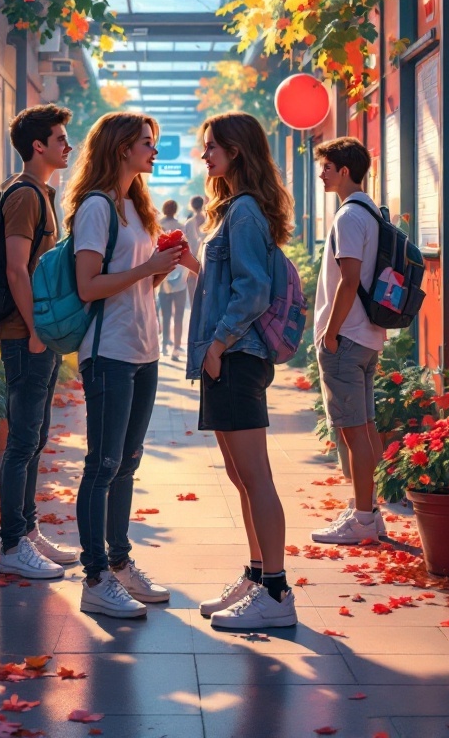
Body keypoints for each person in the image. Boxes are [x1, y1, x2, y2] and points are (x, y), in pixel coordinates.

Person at [63, 112, 184, 618]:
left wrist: (161, 268)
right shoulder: (96, 207)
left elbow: (136, 284)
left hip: (143, 349)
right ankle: (94, 578)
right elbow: (88, 286)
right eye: (146, 143)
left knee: (127, 463)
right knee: (103, 464)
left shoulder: (137, 206)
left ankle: (119, 563)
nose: (154, 151)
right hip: (107, 351)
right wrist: (147, 267)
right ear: (120, 149)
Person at [185, 112, 297, 630]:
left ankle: (275, 590)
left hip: (237, 356)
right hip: (226, 357)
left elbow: (252, 290)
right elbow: (230, 281)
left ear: (236, 150)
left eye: (212, 147)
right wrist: (195, 267)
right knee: (241, 477)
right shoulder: (234, 210)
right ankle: (257, 575)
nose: (205, 155)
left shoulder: (245, 210)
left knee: (256, 476)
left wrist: (219, 343)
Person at [0, 104, 80, 580]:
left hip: (38, 333)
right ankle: (12, 544)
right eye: (60, 139)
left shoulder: (42, 193)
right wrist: (33, 331)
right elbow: (15, 268)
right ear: (38, 146)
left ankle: (26, 532)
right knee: (23, 439)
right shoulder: (26, 196)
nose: (67, 146)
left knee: (35, 437)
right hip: (24, 334)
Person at [311, 137, 386, 545]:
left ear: (344, 171)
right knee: (367, 427)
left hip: (349, 335)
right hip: (369, 334)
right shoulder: (372, 211)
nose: (322, 173)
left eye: (327, 167)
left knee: (352, 432)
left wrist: (331, 332)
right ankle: (370, 512)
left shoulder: (347, 217)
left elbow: (350, 279)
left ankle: (361, 518)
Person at [158, 199, 189, 360]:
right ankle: (176, 348)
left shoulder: (158, 226)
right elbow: (186, 252)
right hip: (179, 277)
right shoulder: (181, 227)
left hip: (163, 277)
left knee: (166, 313)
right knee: (178, 315)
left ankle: (164, 346)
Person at [183, 195, 206, 308]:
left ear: (191, 206)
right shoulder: (209, 220)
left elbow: (187, 245)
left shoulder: (188, 223)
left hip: (191, 265)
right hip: (206, 264)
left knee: (194, 304)